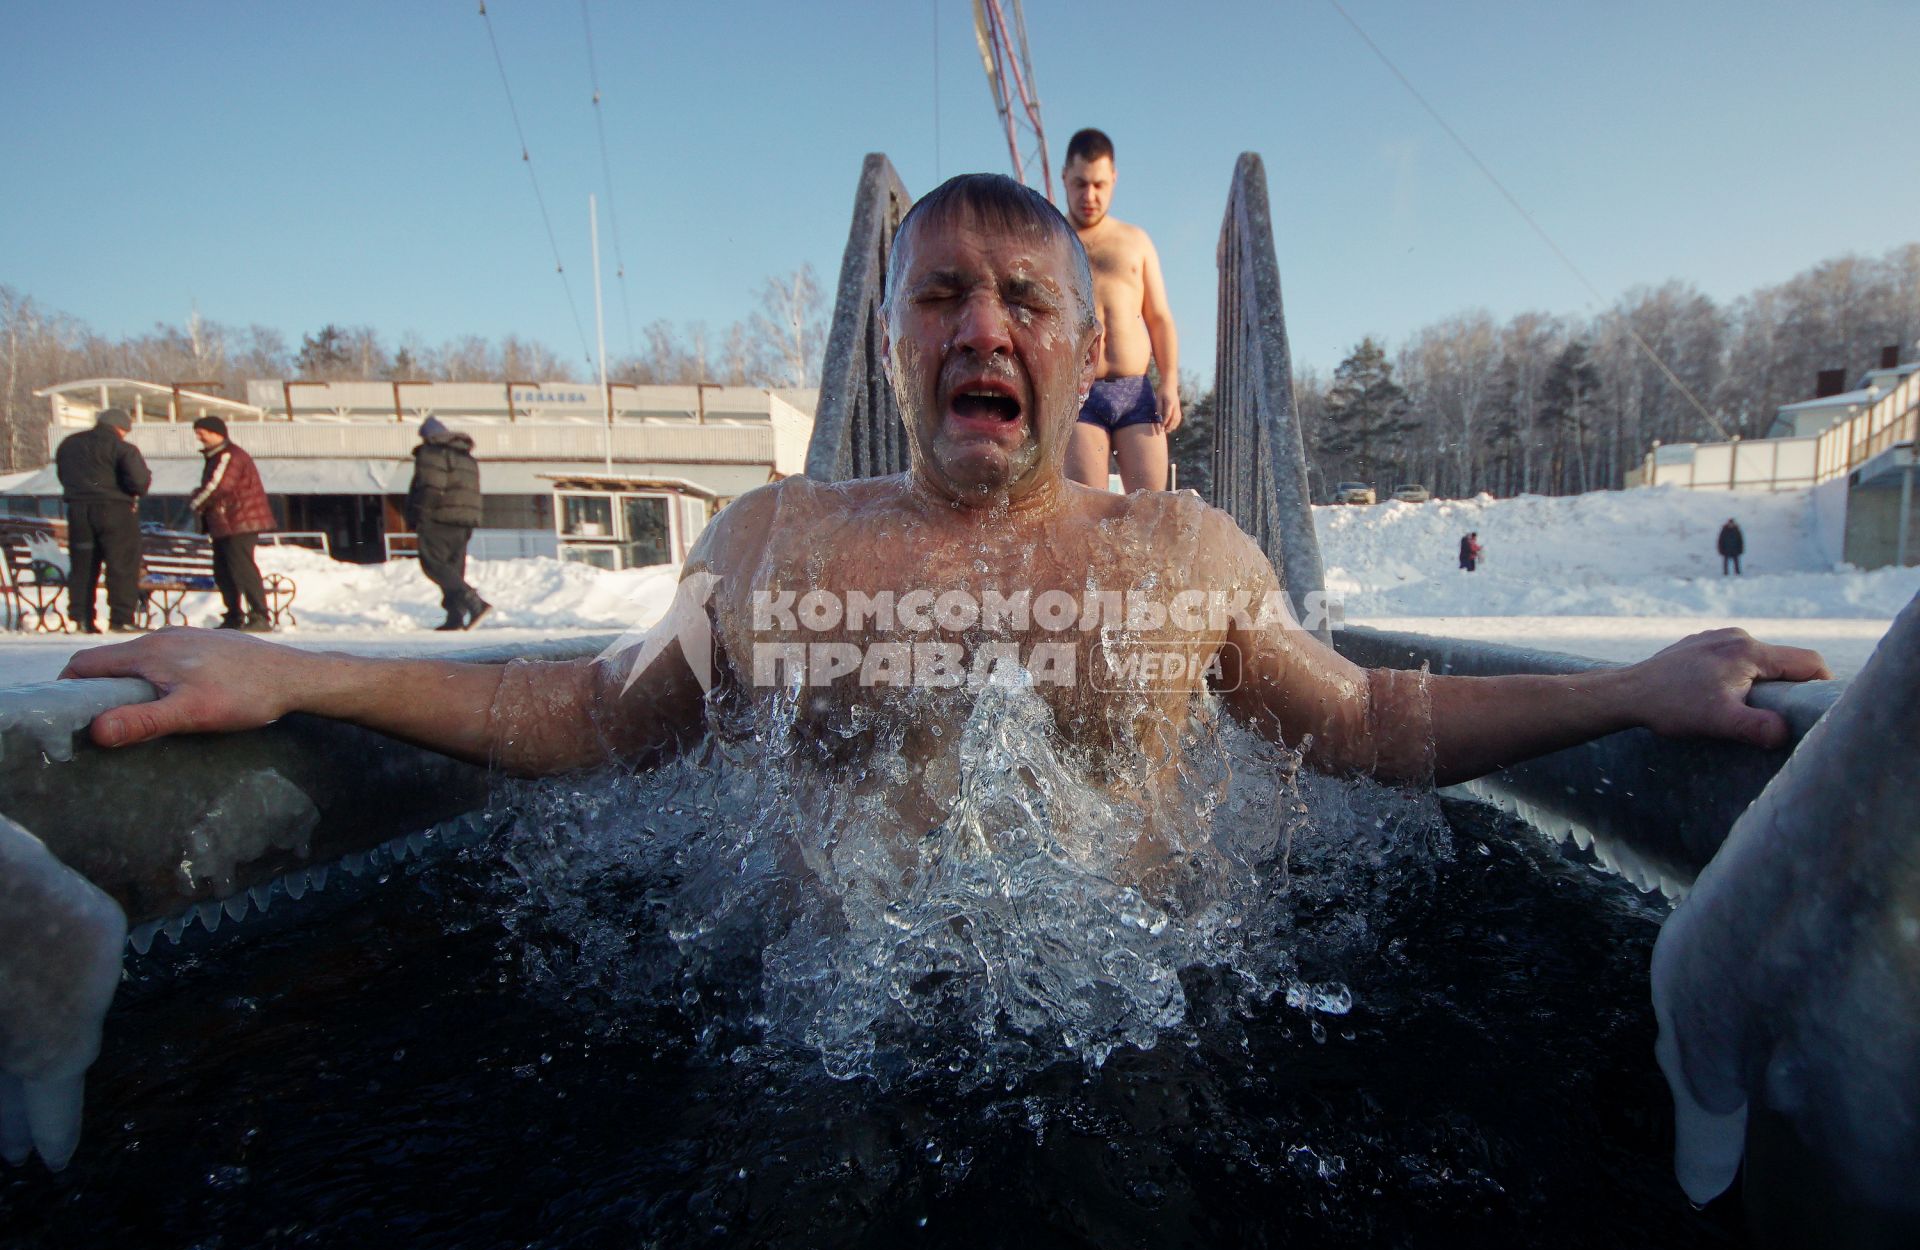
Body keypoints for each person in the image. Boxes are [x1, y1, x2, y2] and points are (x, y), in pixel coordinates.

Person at [65, 176, 1827, 863]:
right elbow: (602, 718)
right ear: (894, 338)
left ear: (1082, 343)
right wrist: (301, 670)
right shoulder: (773, 549)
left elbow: (1367, 718)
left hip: (1125, 1055)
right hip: (823, 1070)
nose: (982, 325)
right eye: (942, 297)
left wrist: (1627, 688)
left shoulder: (1184, 559)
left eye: (1020, 299)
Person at [1058, 129, 1181, 495]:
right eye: (1080, 184)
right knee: (1088, 516)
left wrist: (1170, 383)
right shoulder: (1049, 241)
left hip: (1136, 391)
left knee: (1150, 514)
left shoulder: (1135, 241)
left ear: (1113, 179)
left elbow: (1160, 317)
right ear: (1064, 177)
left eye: (1098, 184)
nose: (1089, 195)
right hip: (1078, 392)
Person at [55, 407, 151, 634]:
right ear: (121, 428)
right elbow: (139, 482)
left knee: (83, 565)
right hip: (115, 510)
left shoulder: (69, 444)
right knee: (122, 565)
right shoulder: (123, 448)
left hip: (78, 511)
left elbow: (62, 474)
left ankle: (81, 618)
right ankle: (121, 619)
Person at [187, 416, 277, 631]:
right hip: (225, 523)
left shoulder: (228, 455)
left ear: (217, 433)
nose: (199, 436)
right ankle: (234, 615)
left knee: (242, 568)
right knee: (224, 570)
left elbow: (219, 486)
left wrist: (195, 501)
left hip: (239, 521)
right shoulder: (216, 455)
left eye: (202, 432)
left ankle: (259, 616)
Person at [406, 416, 489, 631]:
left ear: (428, 436)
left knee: (433, 564)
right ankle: (455, 616)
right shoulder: (465, 456)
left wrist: (420, 514)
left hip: (438, 518)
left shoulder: (432, 453)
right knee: (453, 567)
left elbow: (431, 487)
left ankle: (475, 602)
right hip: (464, 521)